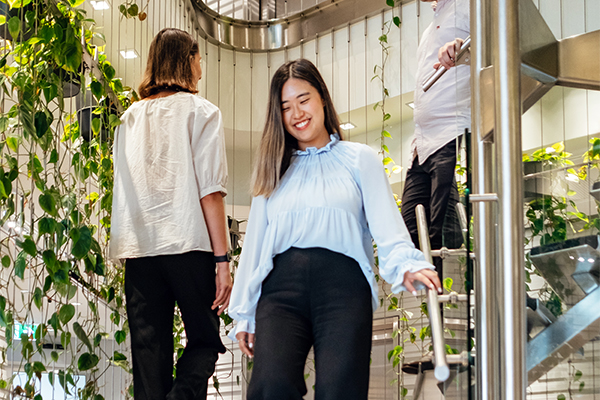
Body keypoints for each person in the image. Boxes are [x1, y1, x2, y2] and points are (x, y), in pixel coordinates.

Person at [228, 58, 441, 400]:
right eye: (286, 107)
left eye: (304, 99)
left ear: (322, 99)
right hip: (280, 289)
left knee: (340, 389)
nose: (297, 113)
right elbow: (255, 246)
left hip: (343, 286)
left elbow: (387, 225)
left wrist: (407, 263)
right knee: (270, 387)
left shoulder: (359, 158)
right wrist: (246, 316)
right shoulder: (273, 171)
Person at [109, 28, 232, 400]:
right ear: (187, 60)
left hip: (140, 252)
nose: (200, 68)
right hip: (188, 245)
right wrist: (223, 260)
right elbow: (210, 191)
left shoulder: (129, 118)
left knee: (149, 357)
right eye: (198, 59)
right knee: (205, 341)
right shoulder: (202, 112)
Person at [401, 0, 470, 279]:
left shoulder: (467, 5)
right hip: (422, 145)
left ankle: (453, 306)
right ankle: (436, 301)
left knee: (443, 233)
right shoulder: (430, 28)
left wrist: (462, 47)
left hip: (450, 134)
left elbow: (491, 45)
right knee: (410, 229)